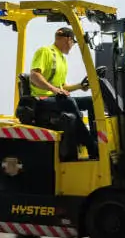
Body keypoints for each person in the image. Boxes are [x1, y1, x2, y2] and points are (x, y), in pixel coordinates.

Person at [29, 27, 97, 158]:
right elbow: (34, 76)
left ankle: (96, 138)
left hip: (57, 99)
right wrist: (54, 90)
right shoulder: (45, 51)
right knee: (68, 101)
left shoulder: (62, 59)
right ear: (67, 39)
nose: (72, 46)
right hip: (42, 99)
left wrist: (79, 86)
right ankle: (90, 144)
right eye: (73, 42)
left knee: (91, 101)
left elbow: (63, 87)